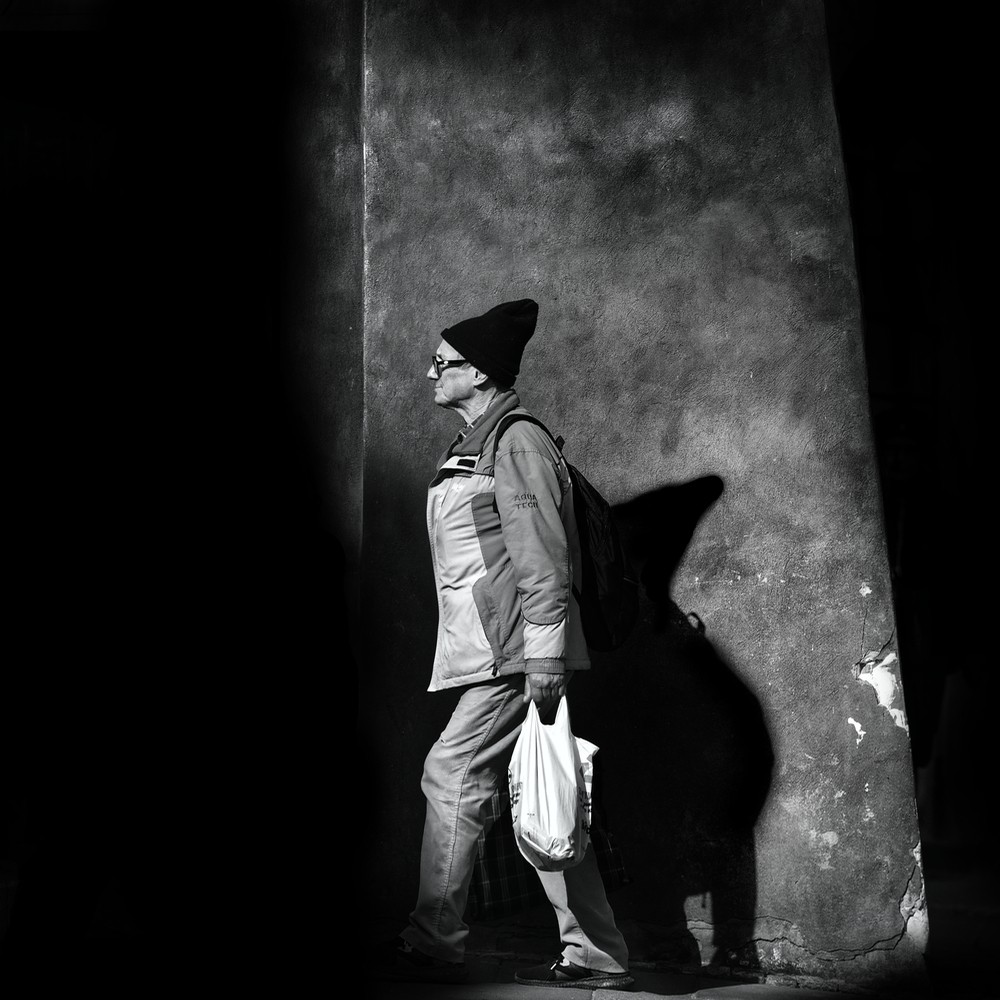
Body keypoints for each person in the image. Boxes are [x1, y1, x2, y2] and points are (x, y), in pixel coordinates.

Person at [382, 298, 633, 989]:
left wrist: (545, 654)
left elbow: (544, 558)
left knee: (452, 772)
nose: (431, 372)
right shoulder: (477, 443)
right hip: (500, 648)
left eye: (444, 363)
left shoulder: (515, 442)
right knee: (542, 786)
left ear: (482, 373)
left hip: (519, 650)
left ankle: (434, 939)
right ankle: (596, 951)